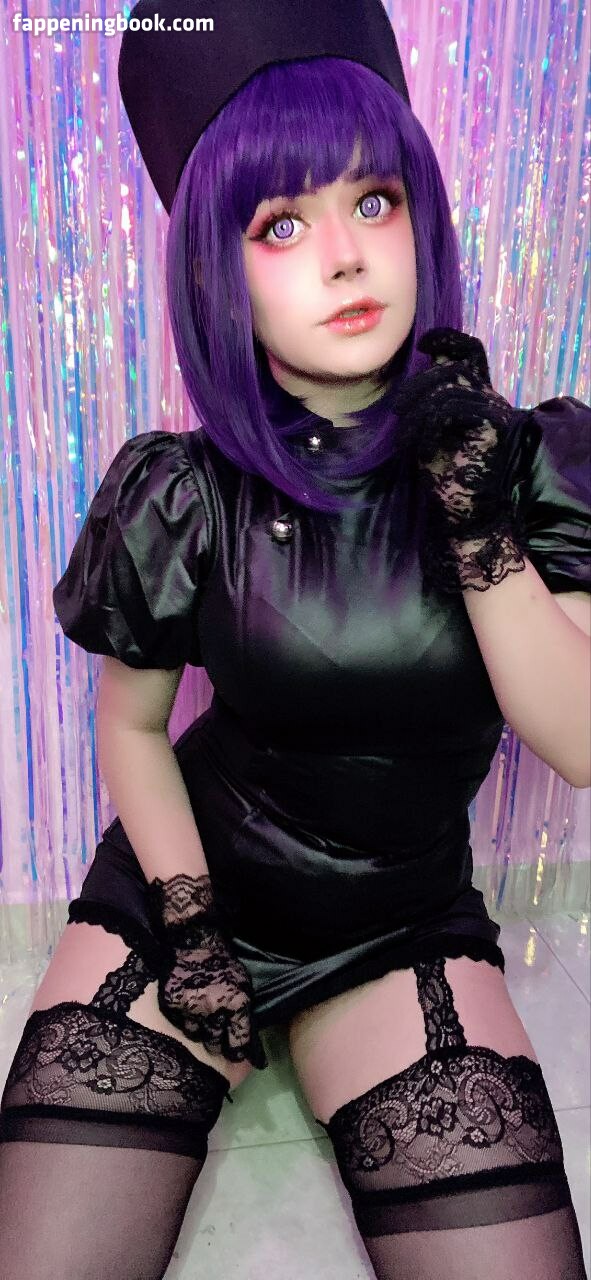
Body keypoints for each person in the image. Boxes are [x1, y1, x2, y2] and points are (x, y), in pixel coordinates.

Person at [1, 1, 589, 1277]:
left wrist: (479, 526)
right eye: (280, 224)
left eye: (374, 201)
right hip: (191, 884)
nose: (345, 256)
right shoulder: (180, 489)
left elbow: (582, 742)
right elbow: (133, 724)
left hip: (397, 917)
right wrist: (190, 924)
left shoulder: (529, 458)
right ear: (218, 270)